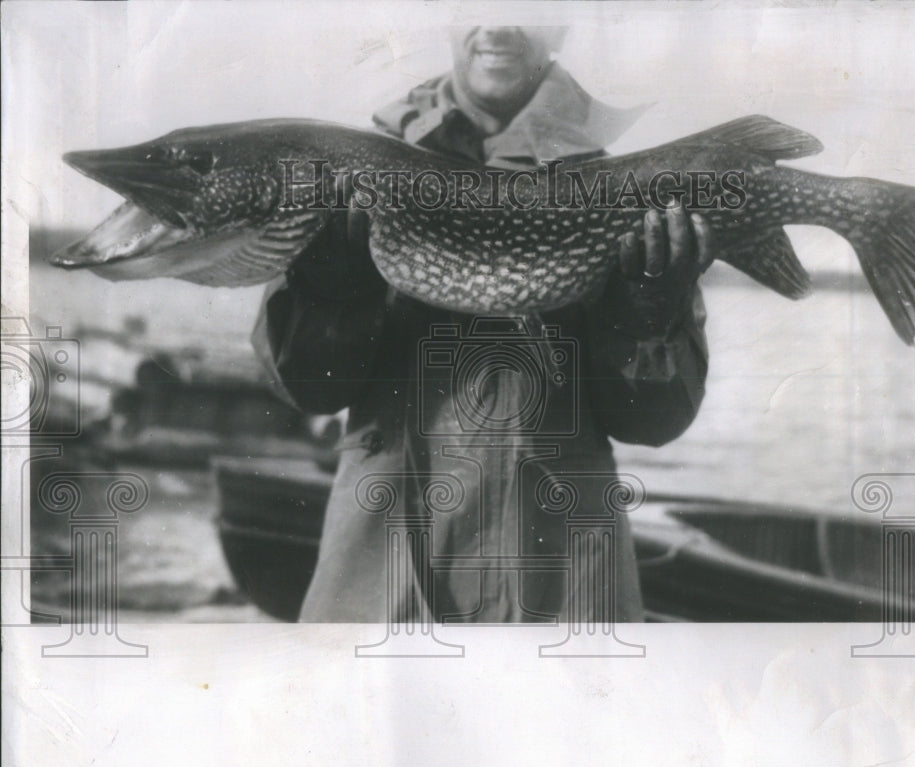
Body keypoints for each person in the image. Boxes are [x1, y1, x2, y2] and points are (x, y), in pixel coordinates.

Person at [252, 26, 713, 623]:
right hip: (382, 584)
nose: (497, 24)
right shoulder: (347, 171)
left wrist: (646, 314)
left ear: (559, 24)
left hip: (560, 590)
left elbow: (653, 421)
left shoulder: (625, 188)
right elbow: (309, 390)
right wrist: (329, 286)